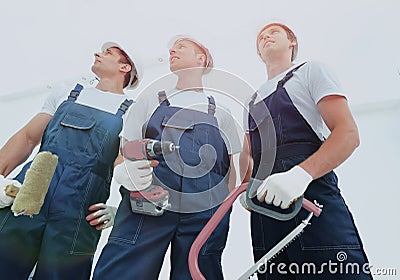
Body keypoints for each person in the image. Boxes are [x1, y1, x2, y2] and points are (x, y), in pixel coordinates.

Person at [93, 35, 241, 279]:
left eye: (181, 47)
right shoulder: (149, 100)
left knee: (199, 272)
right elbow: (126, 150)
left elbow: (232, 171)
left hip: (205, 210)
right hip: (149, 199)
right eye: (171, 48)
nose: (172, 51)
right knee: (123, 271)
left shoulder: (222, 114)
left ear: (201, 57)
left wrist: (221, 210)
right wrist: (126, 175)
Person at [239, 23, 372, 279]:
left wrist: (300, 175)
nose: (265, 36)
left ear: (292, 42)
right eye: (260, 37)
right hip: (265, 213)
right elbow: (249, 157)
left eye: (273, 32)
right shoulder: (250, 101)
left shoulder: (310, 72)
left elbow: (347, 134)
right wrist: (246, 188)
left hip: (311, 199)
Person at [0, 41, 140, 280]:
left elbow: (124, 164)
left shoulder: (132, 112)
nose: (97, 53)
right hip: (29, 194)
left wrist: (124, 212)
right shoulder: (67, 92)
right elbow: (27, 138)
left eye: (108, 53)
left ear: (125, 67)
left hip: (79, 213)